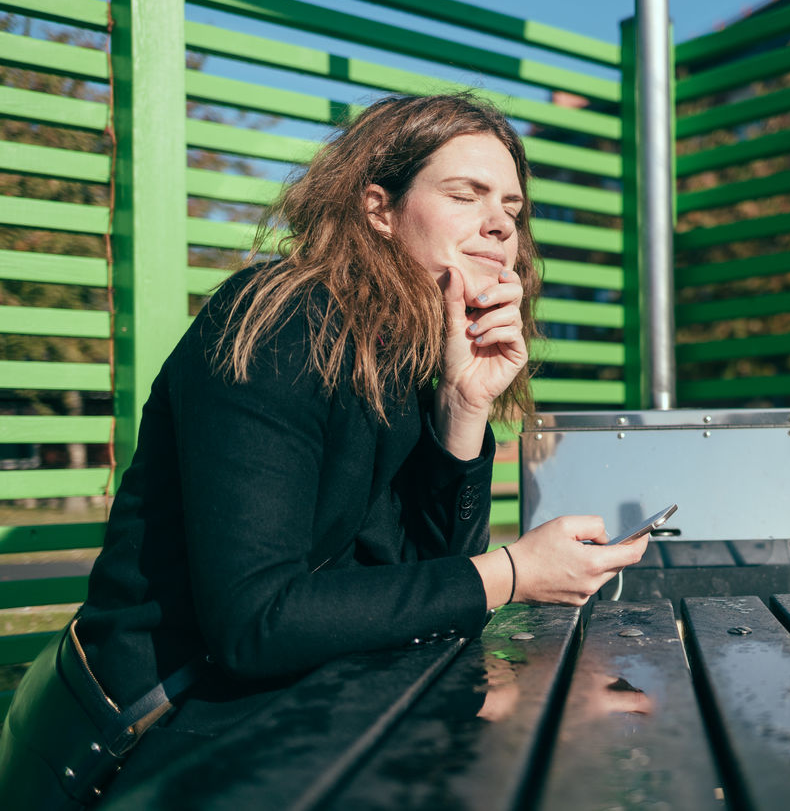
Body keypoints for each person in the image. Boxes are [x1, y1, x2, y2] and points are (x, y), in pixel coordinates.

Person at [0, 93, 649, 804]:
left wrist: (464, 409)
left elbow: (428, 600)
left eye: (513, 210)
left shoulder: (400, 353)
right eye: (467, 194)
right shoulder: (278, 323)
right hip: (154, 743)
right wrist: (513, 572)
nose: (500, 225)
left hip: (282, 712)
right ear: (378, 207)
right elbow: (255, 621)